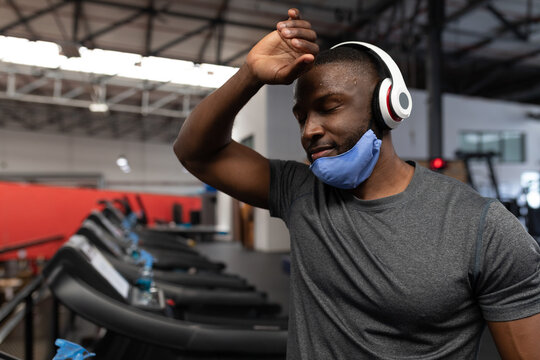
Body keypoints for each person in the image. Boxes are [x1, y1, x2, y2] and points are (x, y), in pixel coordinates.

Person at [174, 8, 540, 359]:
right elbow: (196, 152)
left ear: (388, 106)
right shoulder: (299, 191)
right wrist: (250, 75)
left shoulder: (483, 229)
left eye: (329, 107)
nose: (309, 130)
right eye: (301, 117)